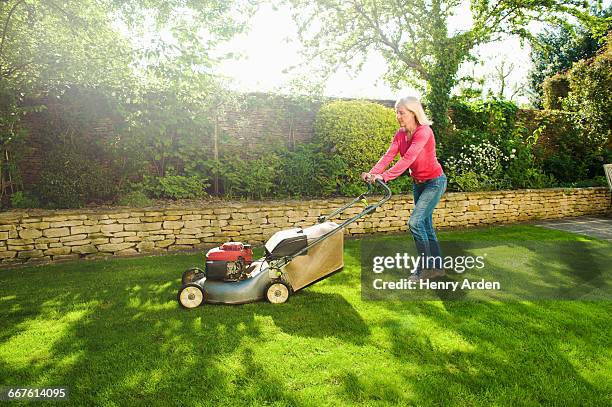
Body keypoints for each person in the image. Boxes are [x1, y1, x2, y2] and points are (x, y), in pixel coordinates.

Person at [361, 96, 447, 280]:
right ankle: (437, 268)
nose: (398, 116)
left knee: (415, 222)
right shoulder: (400, 134)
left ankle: (424, 269)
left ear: (414, 113)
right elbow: (388, 155)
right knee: (426, 226)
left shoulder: (424, 132)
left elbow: (408, 158)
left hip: (434, 182)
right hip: (418, 183)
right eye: (396, 112)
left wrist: (384, 176)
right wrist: (372, 173)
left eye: (402, 112)